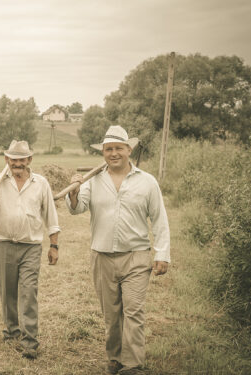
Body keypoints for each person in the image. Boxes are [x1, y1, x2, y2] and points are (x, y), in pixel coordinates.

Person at [66, 125, 170, 375]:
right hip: (102, 257)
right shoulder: (94, 180)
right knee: (112, 315)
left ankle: (133, 364)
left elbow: (159, 220)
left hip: (136, 257)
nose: (113, 153)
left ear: (129, 150)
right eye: (109, 149)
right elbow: (78, 208)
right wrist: (74, 191)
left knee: (133, 311)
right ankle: (114, 358)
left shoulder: (146, 182)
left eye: (118, 149)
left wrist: (162, 253)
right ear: (103, 152)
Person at [0, 140, 61, 360]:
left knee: (28, 293)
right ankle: (11, 331)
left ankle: (30, 342)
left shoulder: (40, 183)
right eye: (13, 159)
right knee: (7, 293)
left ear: (29, 160)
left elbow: (51, 216)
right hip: (4, 244)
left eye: (21, 159)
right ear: (7, 160)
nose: (17, 163)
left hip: (31, 247)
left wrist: (54, 245)